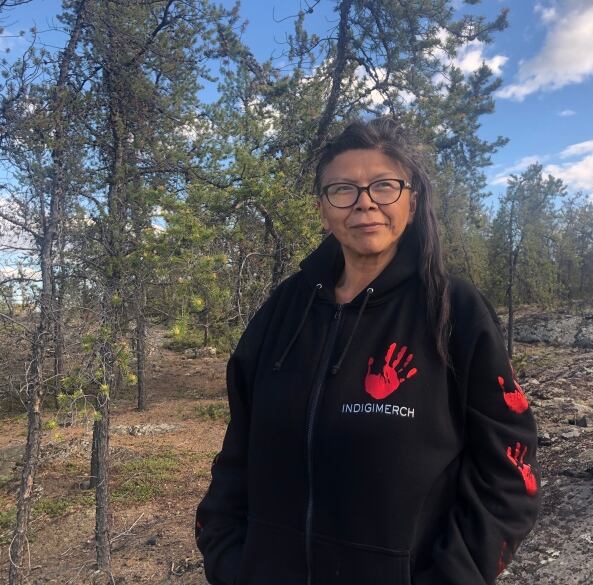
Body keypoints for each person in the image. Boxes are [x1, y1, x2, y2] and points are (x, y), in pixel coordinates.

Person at [195, 118, 540, 585]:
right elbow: (239, 447)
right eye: (343, 189)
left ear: (412, 202)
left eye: (384, 186)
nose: (365, 203)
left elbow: (508, 472)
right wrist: (229, 559)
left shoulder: (454, 311)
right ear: (323, 209)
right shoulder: (285, 310)